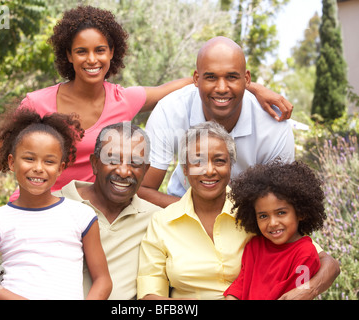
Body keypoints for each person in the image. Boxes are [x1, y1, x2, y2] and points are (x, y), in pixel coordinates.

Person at [0, 6, 293, 217]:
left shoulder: (124, 100)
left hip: (96, 217)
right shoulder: (37, 103)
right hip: (39, 213)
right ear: (68, 56)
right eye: (81, 51)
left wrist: (254, 89)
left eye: (100, 50)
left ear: (112, 52)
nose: (92, 59)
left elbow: (204, 80)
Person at [137, 121, 339, 300]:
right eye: (198, 161)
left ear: (231, 166)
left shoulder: (257, 212)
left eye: (219, 160)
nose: (209, 170)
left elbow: (327, 263)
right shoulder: (163, 222)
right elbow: (149, 295)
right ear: (185, 169)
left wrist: (307, 289)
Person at [0, 108, 112, 300]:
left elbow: (103, 280)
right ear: (11, 162)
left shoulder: (81, 215)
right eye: (29, 158)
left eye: (49, 162)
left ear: (60, 169)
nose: (38, 168)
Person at [138, 36, 295, 208]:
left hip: (247, 218)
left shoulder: (273, 125)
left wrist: (225, 217)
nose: (221, 88)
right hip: (180, 208)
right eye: (211, 77)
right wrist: (199, 214)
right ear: (196, 79)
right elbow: (143, 190)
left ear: (247, 79)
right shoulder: (171, 110)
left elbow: (281, 203)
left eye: (232, 77)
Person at [53, 122, 161, 299]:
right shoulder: (53, 207)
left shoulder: (157, 220)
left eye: (135, 163)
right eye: (112, 160)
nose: (124, 171)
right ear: (95, 163)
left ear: (145, 170)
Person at [223, 161, 327, 300]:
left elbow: (296, 296)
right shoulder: (255, 246)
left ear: (300, 212)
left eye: (281, 213)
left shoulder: (306, 254)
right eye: (263, 216)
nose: (272, 223)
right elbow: (240, 286)